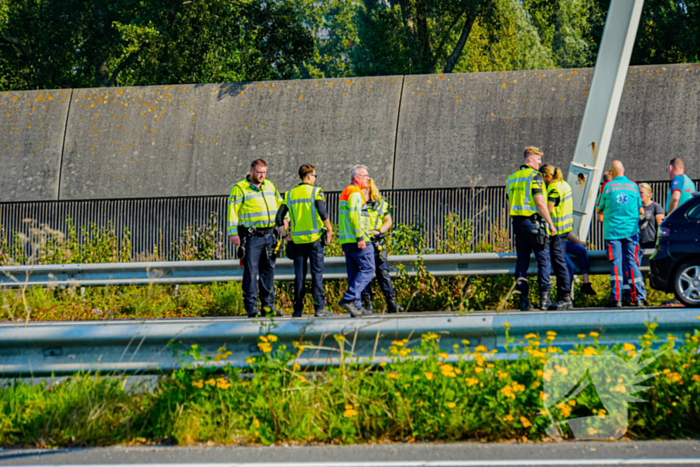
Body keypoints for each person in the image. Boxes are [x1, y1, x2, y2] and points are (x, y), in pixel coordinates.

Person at [276, 164, 334, 318]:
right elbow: (322, 211)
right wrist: (329, 229)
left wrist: (284, 235)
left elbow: (278, 217)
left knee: (299, 276)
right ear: (308, 176)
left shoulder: (290, 194)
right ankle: (319, 308)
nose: (315, 179)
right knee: (317, 274)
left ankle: (297, 310)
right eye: (314, 176)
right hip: (314, 240)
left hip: (297, 242)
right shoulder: (316, 192)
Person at [228, 159, 284, 318]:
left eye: (264, 172)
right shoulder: (240, 188)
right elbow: (233, 211)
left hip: (269, 235)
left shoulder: (269, 185)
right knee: (251, 272)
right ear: (251, 171)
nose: (262, 176)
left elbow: (280, 204)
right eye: (259, 172)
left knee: (268, 271)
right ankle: (251, 307)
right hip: (251, 236)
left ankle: (268, 307)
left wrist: (284, 219)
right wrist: (233, 232)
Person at [506, 147, 557, 312]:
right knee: (544, 259)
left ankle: (523, 300)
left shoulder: (512, 178)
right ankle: (545, 299)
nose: (540, 162)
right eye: (538, 159)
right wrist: (550, 223)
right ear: (529, 160)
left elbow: (509, 207)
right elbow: (540, 203)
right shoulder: (535, 177)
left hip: (517, 225)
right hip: (533, 223)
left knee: (522, 261)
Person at [595, 160, 647, 308]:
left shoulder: (607, 187)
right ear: (623, 170)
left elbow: (599, 208)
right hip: (631, 231)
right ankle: (638, 297)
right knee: (632, 262)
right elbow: (640, 208)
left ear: (611, 173)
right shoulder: (633, 186)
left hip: (613, 232)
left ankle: (616, 299)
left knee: (616, 265)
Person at [360, 178, 404, 314]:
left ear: (368, 188)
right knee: (365, 274)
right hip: (362, 243)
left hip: (376, 243)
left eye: (363, 188)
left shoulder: (380, 204)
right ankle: (368, 305)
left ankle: (391, 304)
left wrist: (379, 231)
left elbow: (388, 221)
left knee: (383, 274)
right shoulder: (356, 203)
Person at [337, 165, 375, 317]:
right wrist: (360, 237)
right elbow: (354, 216)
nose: (368, 178)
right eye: (365, 176)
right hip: (358, 239)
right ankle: (349, 298)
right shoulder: (355, 192)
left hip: (348, 240)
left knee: (354, 273)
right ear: (356, 178)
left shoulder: (346, 192)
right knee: (368, 269)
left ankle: (356, 307)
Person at [538, 164, 573, 310]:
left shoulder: (553, 188)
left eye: (542, 177)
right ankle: (565, 296)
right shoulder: (565, 184)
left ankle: (564, 297)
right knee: (561, 262)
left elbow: (548, 209)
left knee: (559, 264)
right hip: (564, 230)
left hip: (556, 231)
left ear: (547, 176)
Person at [638, 182, 664, 249]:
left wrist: (659, 242)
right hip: (637, 242)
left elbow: (661, 227)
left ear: (649, 194)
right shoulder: (636, 208)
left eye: (641, 192)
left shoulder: (656, 207)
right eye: (638, 193)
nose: (639, 195)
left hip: (652, 242)